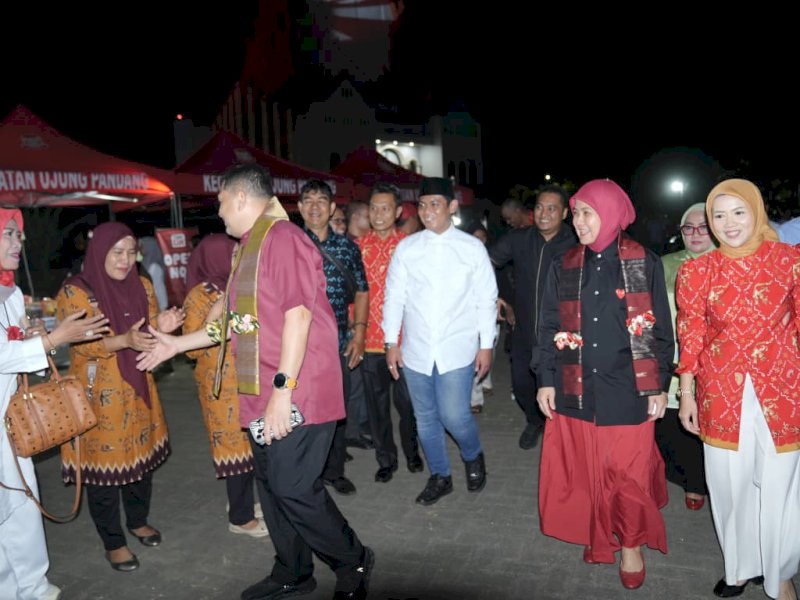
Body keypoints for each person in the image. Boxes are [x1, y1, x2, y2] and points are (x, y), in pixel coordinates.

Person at [136, 164, 373, 600]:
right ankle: (293, 570)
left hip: (298, 390)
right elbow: (236, 321)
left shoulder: (281, 239)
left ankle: (353, 559)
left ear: (241, 197)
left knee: (293, 487)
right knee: (272, 487)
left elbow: (298, 316)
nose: (220, 212)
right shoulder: (249, 246)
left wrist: (283, 393)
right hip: (260, 390)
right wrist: (176, 345)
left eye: (222, 202)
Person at [532, 179, 673, 590]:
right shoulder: (564, 262)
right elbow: (547, 325)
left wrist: (660, 384)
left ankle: (630, 544)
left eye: (586, 212)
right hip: (576, 384)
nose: (577, 221)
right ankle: (599, 537)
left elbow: (660, 331)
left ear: (611, 214)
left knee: (626, 474)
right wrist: (545, 379)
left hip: (630, 387)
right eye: (575, 213)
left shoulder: (643, 262)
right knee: (591, 469)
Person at [676, 179, 800, 600]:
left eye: (738, 212)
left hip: (783, 391)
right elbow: (690, 333)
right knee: (729, 486)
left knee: (781, 486)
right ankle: (740, 567)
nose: (728, 223)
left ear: (756, 211)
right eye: (719, 215)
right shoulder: (698, 270)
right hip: (721, 394)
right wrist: (688, 393)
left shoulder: (790, 261)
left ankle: (779, 570)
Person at [55, 222, 185, 572]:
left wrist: (164, 326)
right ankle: (114, 542)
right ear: (100, 252)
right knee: (104, 472)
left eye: (131, 252)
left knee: (141, 462)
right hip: (99, 397)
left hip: (139, 390)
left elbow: (149, 330)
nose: (126, 260)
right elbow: (81, 347)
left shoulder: (142, 285)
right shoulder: (75, 293)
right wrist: (124, 341)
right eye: (118, 252)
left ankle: (138, 520)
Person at [0, 208, 109, 600]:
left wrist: (34, 334)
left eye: (19, 236)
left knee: (24, 502)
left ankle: (32, 585)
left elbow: (11, 346)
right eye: (10, 235)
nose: (19, 243)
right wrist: (50, 340)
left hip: (11, 418)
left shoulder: (10, 292)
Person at [383, 177, 497, 506]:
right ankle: (440, 475)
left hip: (457, 347)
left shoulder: (471, 248)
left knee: (455, 415)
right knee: (425, 418)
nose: (427, 210)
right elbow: (394, 298)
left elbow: (485, 299)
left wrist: (486, 344)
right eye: (422, 204)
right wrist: (392, 341)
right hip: (416, 349)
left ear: (452, 207)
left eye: (435, 204)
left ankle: (473, 455)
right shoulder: (407, 247)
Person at [183, 233, 267, 538]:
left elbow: (250, 328)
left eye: (238, 254)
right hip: (219, 388)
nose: (237, 261)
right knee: (233, 449)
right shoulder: (199, 295)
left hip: (246, 379)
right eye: (231, 256)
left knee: (250, 446)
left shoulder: (239, 286)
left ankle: (242, 504)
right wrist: (216, 310)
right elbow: (191, 349)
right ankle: (240, 519)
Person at [296, 180, 369, 496]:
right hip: (296, 346)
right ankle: (304, 471)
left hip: (337, 344)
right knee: (300, 410)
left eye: (321, 200)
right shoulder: (289, 244)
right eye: (308, 200)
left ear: (332, 208)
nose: (314, 206)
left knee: (336, 409)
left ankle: (334, 470)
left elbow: (363, 290)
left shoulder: (347, 248)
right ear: (299, 208)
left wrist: (360, 333)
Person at [489, 184, 576, 448]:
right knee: (521, 384)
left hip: (563, 335)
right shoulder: (519, 239)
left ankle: (561, 432)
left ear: (563, 214)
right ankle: (534, 421)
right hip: (524, 331)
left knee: (564, 389)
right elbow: (485, 262)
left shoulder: (576, 243)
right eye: (539, 207)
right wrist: (499, 296)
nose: (544, 213)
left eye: (552, 208)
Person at [357, 182, 422, 483]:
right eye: (374, 208)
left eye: (385, 208)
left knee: (408, 404)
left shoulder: (411, 246)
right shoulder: (356, 248)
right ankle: (386, 459)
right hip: (369, 342)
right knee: (377, 407)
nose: (379, 214)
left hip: (406, 342)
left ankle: (412, 452)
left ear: (397, 211)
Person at [657, 203, 715, 511]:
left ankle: (701, 484)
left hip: (713, 362)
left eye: (703, 227)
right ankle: (686, 478)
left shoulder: (725, 264)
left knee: (705, 427)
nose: (695, 234)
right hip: (672, 357)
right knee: (671, 425)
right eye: (688, 228)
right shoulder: (665, 264)